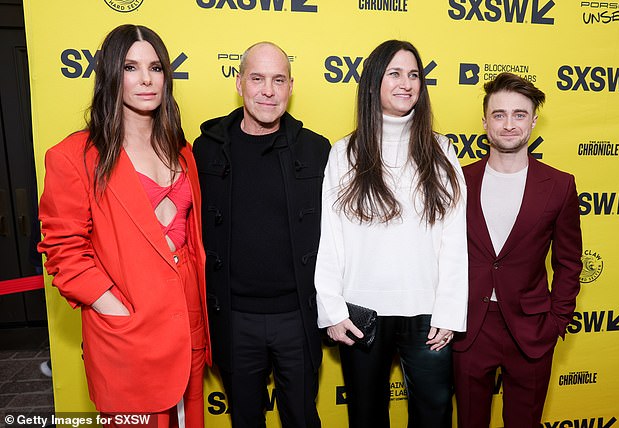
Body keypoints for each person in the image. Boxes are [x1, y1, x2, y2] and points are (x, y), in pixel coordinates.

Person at [38, 24, 210, 427]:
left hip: (190, 325)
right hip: (129, 330)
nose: (146, 79)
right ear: (111, 75)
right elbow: (64, 252)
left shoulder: (181, 151)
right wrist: (115, 310)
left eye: (155, 67)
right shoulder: (73, 156)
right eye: (131, 67)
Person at [315, 40, 468, 428]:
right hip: (361, 312)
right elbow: (330, 238)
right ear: (372, 84)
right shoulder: (344, 153)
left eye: (414, 74)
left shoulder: (442, 152)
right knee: (366, 417)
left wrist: (449, 311)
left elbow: (454, 238)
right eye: (395, 73)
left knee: (434, 416)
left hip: (429, 314)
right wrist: (332, 310)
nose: (406, 83)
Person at [192, 42, 330, 427]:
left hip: (298, 318)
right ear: (239, 84)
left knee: (302, 418)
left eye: (278, 80)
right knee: (245, 420)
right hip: (234, 320)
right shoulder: (205, 150)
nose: (268, 90)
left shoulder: (317, 150)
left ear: (290, 87)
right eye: (257, 78)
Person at [452, 72, 583, 428]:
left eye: (519, 114)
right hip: (469, 327)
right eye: (499, 114)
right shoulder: (457, 181)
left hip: (532, 329)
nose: (509, 124)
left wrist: (557, 321)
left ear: (534, 120)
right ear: (484, 121)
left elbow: (569, 262)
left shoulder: (559, 185)